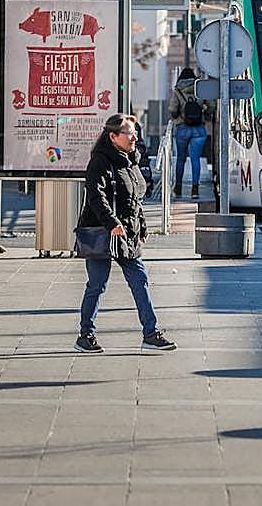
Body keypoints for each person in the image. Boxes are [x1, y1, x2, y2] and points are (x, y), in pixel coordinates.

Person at [74, 113, 176, 354]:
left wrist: (142, 225)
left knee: (139, 280)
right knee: (97, 285)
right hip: (104, 231)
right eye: (129, 133)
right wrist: (111, 223)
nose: (135, 137)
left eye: (135, 132)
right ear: (113, 136)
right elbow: (95, 196)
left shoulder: (130, 161)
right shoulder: (100, 161)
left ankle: (151, 334)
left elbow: (135, 198)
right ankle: (85, 335)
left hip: (127, 233)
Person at [167, 67, 207, 199]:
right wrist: (204, 114)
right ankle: (195, 190)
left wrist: (177, 116)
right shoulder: (200, 88)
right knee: (195, 159)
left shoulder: (178, 90)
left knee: (181, 159)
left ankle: (178, 188)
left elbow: (173, 109)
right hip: (198, 129)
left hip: (182, 128)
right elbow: (211, 106)